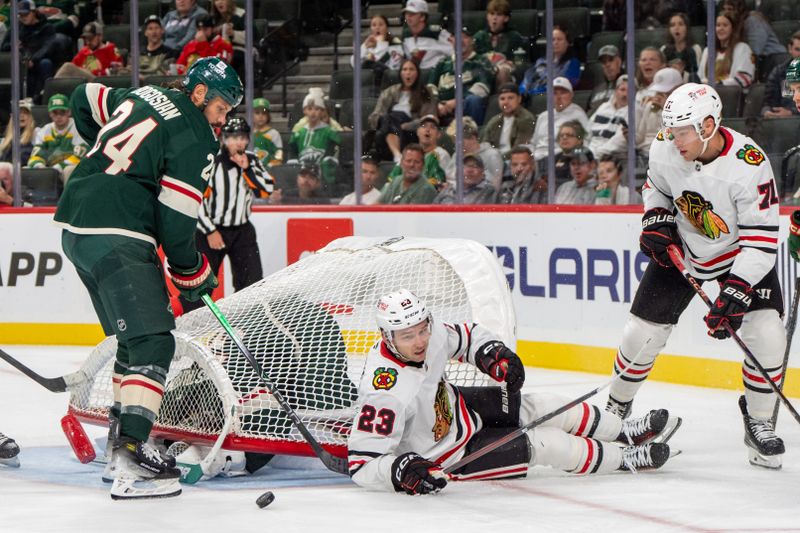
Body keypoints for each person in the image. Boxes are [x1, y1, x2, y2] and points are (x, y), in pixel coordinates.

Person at [53, 57, 243, 499]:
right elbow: (177, 225)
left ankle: (119, 445)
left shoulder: (142, 94)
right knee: (156, 341)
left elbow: (83, 96)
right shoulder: (197, 135)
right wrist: (193, 274)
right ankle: (133, 457)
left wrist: (101, 154)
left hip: (79, 226)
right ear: (198, 94)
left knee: (133, 343)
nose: (223, 118)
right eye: (220, 107)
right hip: (119, 232)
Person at [605, 83, 786, 470]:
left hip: (740, 254)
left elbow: (761, 239)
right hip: (683, 250)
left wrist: (736, 292)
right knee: (641, 335)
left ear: (708, 124)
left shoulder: (749, 164)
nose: (674, 138)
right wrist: (655, 215)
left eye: (682, 130)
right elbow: (656, 187)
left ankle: (758, 421)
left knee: (767, 334)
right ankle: (615, 410)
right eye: (670, 128)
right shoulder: (664, 147)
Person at [347, 289, 677, 494]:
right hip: (450, 455)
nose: (420, 341)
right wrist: (400, 470)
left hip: (460, 409)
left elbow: (465, 336)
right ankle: (624, 459)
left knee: (546, 405)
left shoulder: (427, 334)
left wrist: (493, 355)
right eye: (408, 336)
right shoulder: (383, 392)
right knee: (547, 444)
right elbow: (362, 463)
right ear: (387, 336)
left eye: (422, 329)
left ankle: (624, 431)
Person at [181, 116, 273, 314]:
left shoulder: (252, 160)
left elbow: (266, 191)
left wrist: (247, 169)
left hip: (242, 231)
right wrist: (210, 230)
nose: (238, 142)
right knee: (200, 284)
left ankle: (248, 327)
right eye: (233, 137)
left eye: (242, 137)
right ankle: (189, 327)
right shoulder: (212, 161)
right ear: (224, 139)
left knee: (251, 283)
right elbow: (198, 200)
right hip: (211, 231)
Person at [369, 58, 437, 163]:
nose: (408, 73)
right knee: (387, 120)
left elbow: (429, 119)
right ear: (400, 73)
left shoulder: (425, 92)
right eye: (404, 69)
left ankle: (397, 156)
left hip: (409, 132)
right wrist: (387, 122)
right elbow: (374, 116)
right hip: (388, 126)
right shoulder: (390, 91)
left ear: (417, 73)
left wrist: (406, 126)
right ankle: (397, 155)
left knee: (382, 131)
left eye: (411, 69)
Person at [1, 0, 70, 100]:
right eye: (20, 15)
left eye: (26, 14)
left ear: (34, 12)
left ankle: (45, 96)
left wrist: (33, 59)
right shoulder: (16, 28)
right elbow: (3, 46)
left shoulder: (46, 28)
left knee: (46, 63)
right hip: (20, 60)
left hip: (38, 61)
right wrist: (13, 45)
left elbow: (47, 47)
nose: (23, 17)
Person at [428, 26, 493, 126]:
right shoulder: (442, 62)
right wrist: (439, 103)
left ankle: (473, 136)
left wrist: (457, 101)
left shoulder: (481, 61)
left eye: (465, 37)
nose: (460, 41)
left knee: (474, 100)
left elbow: (482, 87)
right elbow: (431, 86)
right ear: (451, 40)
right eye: (457, 37)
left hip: (466, 106)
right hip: (442, 108)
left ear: (472, 40)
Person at [287, 88, 341, 190]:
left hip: (320, 172)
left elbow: (332, 153)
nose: (313, 113)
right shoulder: (298, 133)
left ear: (322, 111)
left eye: (317, 109)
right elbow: (292, 153)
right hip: (302, 171)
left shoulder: (329, 132)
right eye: (310, 109)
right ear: (304, 111)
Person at [27, 93, 87, 183]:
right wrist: (40, 167)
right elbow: (35, 155)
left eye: (62, 112)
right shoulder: (45, 130)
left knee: (68, 170)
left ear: (69, 112)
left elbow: (80, 156)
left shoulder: (77, 127)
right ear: (50, 114)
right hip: (50, 168)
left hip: (70, 168)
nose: (59, 116)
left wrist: (59, 167)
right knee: (26, 169)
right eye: (55, 113)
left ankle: (68, 197)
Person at [528, 77, 591, 161]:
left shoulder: (578, 115)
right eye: (554, 93)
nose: (558, 97)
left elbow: (586, 141)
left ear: (571, 95)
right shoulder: (543, 116)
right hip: (536, 158)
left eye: (563, 93)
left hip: (559, 158)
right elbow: (533, 143)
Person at [385, 114, 450, 189]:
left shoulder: (441, 154)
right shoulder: (409, 153)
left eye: (432, 127)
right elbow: (390, 181)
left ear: (438, 134)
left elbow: (441, 184)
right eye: (423, 126)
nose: (427, 130)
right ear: (417, 132)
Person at [472, 0, 525, 86]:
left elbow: (520, 60)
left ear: (506, 18)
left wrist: (512, 62)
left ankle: (503, 97)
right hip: (483, 68)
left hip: (506, 69)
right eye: (492, 14)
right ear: (487, 16)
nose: (494, 18)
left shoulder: (514, 36)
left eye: (499, 14)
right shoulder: (479, 36)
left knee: (503, 72)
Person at [520, 26, 581, 97]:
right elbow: (527, 79)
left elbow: (562, 85)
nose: (555, 42)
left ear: (568, 43)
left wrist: (533, 93)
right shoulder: (540, 61)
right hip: (530, 97)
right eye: (552, 40)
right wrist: (522, 92)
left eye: (559, 39)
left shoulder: (573, 63)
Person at [699, 14, 755, 89]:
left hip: (730, 95)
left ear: (733, 29)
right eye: (718, 25)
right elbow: (700, 77)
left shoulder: (743, 48)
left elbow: (745, 78)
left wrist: (720, 84)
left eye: (725, 25)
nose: (721, 28)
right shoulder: (708, 50)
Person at [445, 116, 502, 189]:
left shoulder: (491, 155)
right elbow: (448, 178)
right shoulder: (456, 155)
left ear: (473, 137)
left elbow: (494, 185)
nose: (457, 146)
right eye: (454, 142)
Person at [481, 82, 536, 158]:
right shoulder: (494, 121)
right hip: (494, 159)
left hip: (515, 160)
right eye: (502, 99)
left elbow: (519, 148)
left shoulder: (527, 119)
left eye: (510, 98)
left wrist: (499, 158)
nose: (506, 102)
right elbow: (485, 145)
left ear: (519, 99)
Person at [720, 0, 786, 59]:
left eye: (730, 9)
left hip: (775, 60)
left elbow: (755, 51)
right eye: (724, 9)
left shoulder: (752, 20)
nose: (726, 12)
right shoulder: (732, 25)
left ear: (739, 9)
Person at [400, 0, 453, 70]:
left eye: (413, 14)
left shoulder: (437, 33)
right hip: (415, 74)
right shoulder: (406, 34)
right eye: (407, 13)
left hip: (435, 72)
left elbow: (454, 52)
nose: (408, 16)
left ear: (422, 17)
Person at [588, 75, 629, 158]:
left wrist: (595, 155)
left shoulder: (633, 112)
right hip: (590, 152)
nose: (625, 94)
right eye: (622, 90)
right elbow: (587, 130)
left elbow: (620, 142)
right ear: (616, 91)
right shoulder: (603, 107)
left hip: (609, 156)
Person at [761, 31, 800, 118]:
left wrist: (791, 113)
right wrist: (767, 112)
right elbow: (768, 102)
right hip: (783, 123)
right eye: (797, 49)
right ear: (790, 48)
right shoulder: (779, 72)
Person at [660, 13, 702, 83]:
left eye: (680, 24)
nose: (676, 28)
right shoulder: (664, 49)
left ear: (687, 28)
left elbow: (698, 74)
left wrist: (682, 73)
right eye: (673, 25)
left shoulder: (695, 48)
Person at [208, 0, 246, 75]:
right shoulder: (213, 18)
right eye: (216, 0)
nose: (219, 2)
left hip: (238, 49)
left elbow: (253, 36)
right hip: (216, 49)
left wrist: (233, 34)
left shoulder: (241, 14)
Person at [588, 44, 624, 113]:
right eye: (604, 62)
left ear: (619, 62)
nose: (607, 65)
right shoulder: (597, 89)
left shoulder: (627, 87)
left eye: (611, 60)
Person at [0, 99, 38, 163]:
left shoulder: (36, 133)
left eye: (25, 113)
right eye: (18, 113)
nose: (21, 115)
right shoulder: (4, 140)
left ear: (30, 117)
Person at [251, 98, 283, 167]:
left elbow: (279, 153)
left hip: (269, 168)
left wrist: (272, 164)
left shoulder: (274, 133)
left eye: (264, 113)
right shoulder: (247, 133)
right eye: (257, 113)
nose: (260, 116)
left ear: (268, 116)